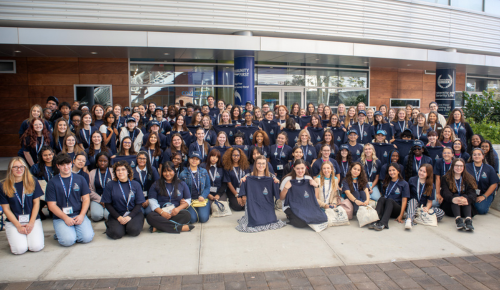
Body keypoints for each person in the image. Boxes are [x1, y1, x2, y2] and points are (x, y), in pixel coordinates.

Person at [46, 153, 94, 246]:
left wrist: (82, 215)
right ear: (57, 166)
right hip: (61, 217)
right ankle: (64, 232)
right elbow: (51, 205)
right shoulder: (52, 182)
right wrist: (65, 218)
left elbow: (86, 199)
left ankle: (68, 231)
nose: (66, 167)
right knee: (68, 241)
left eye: (68, 164)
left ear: (71, 163)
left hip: (78, 214)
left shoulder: (80, 179)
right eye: (62, 165)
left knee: (86, 238)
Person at [0, 157, 45, 254]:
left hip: (32, 219)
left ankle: (25, 236)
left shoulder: (32, 181)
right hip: (14, 221)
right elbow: (6, 209)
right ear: (10, 169)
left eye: (21, 167)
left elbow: (36, 203)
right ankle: (17, 236)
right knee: (19, 250)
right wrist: (18, 226)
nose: (19, 169)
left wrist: (31, 222)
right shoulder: (3, 185)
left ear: (25, 168)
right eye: (15, 167)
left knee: (35, 247)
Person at [236, 155, 285, 232]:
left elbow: (277, 194)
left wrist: (277, 182)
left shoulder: (271, 177)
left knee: (270, 220)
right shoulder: (249, 176)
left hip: (267, 204)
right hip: (253, 204)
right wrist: (242, 181)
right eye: (259, 163)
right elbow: (242, 188)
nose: (261, 165)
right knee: (256, 221)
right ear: (255, 164)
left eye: (263, 163)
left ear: (266, 165)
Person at [101, 161, 145, 239]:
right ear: (115, 172)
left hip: (133, 213)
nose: (120, 172)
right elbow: (107, 204)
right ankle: (113, 225)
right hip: (117, 214)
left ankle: (127, 225)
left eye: (123, 169)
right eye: (118, 170)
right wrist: (118, 217)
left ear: (128, 171)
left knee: (133, 231)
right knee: (115, 234)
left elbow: (139, 204)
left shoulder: (135, 184)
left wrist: (129, 217)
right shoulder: (110, 185)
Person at [147, 161, 194, 233]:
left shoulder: (181, 183)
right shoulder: (156, 184)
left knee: (187, 215)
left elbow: (188, 200)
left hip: (175, 212)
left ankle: (159, 227)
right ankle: (179, 228)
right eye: (165, 171)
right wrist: (162, 213)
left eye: (170, 171)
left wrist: (178, 209)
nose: (167, 174)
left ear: (174, 171)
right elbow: (152, 201)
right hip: (161, 212)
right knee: (150, 216)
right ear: (162, 173)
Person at [280, 159, 327, 229]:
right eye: (298, 168)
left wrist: (316, 186)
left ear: (305, 168)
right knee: (300, 223)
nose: (300, 171)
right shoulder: (287, 179)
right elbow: (281, 198)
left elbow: (314, 198)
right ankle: (290, 216)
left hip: (306, 205)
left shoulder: (308, 179)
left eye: (302, 168)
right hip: (290, 207)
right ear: (294, 169)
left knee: (323, 218)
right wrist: (286, 188)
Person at [370, 163, 410, 231]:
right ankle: (375, 221)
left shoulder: (404, 184)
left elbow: (404, 200)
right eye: (390, 170)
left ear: (398, 171)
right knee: (382, 198)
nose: (391, 172)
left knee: (389, 200)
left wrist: (400, 215)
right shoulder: (387, 181)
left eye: (393, 170)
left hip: (396, 209)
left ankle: (383, 223)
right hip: (387, 209)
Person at [440, 158, 477, 231]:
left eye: (461, 166)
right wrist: (452, 199)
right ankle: (458, 220)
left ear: (464, 167)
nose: (459, 168)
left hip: (465, 208)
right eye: (456, 166)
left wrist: (467, 200)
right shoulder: (445, 178)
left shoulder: (469, 178)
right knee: (456, 196)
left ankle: (468, 220)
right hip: (451, 207)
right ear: (452, 166)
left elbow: (472, 193)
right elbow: (445, 192)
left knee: (465, 197)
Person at [405, 164, 445, 230]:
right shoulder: (412, 180)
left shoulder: (431, 184)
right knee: (413, 201)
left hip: (422, 208)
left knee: (441, 213)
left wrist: (427, 208)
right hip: (412, 205)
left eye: (424, 172)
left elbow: (430, 202)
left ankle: (415, 216)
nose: (421, 173)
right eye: (420, 170)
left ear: (428, 174)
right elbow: (407, 197)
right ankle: (409, 220)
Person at [179, 151, 211, 224]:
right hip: (189, 200)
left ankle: (204, 207)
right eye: (192, 158)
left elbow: (207, 186)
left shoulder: (204, 172)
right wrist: (182, 199)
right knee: (192, 219)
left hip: (201, 200)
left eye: (197, 159)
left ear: (199, 161)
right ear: (189, 159)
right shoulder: (183, 173)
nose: (194, 161)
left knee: (203, 219)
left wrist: (203, 196)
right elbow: (180, 189)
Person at [466, 148, 499, 215]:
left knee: (481, 210)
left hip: (484, 193)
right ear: (472, 157)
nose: (477, 156)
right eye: (474, 155)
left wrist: (484, 196)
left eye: (479, 154)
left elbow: (494, 184)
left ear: (483, 156)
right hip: (470, 194)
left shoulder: (489, 168)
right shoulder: (466, 167)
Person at [223, 147, 250, 212]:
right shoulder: (227, 167)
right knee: (238, 207)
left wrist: (244, 194)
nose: (236, 157)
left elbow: (248, 181)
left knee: (247, 205)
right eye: (234, 155)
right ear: (230, 156)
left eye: (238, 155)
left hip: (244, 191)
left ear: (240, 156)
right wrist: (237, 195)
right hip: (233, 192)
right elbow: (229, 184)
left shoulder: (245, 166)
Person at [88, 152, 113, 222]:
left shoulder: (113, 172)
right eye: (100, 161)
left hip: (111, 199)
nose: (102, 163)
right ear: (96, 162)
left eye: (105, 161)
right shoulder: (92, 173)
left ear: (108, 162)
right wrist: (101, 199)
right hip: (96, 199)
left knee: (108, 216)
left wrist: (107, 200)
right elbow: (89, 190)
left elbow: (117, 188)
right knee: (96, 216)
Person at [133, 152, 160, 216]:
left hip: (150, 198)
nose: (142, 160)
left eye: (144, 158)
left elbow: (157, 184)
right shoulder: (132, 170)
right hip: (137, 199)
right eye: (140, 158)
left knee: (149, 212)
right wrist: (140, 200)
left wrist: (149, 200)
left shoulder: (152, 169)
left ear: (147, 159)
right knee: (140, 213)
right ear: (137, 159)